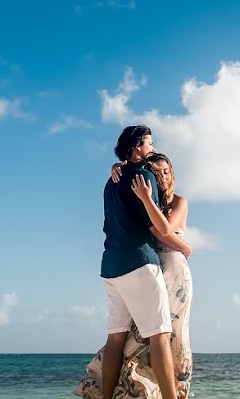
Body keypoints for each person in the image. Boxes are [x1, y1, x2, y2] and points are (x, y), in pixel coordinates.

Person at [75, 151, 194, 399]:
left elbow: (165, 230)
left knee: (170, 334)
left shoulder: (178, 201)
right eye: (157, 172)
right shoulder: (143, 195)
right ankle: (135, 389)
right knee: (137, 335)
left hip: (173, 271)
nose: (162, 177)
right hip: (147, 269)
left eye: (166, 172)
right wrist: (120, 167)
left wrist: (184, 247)